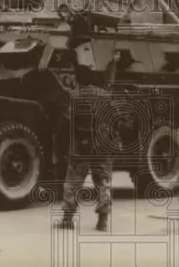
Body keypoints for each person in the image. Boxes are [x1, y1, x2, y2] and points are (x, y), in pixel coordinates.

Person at [56, 53, 121, 232]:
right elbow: (116, 119)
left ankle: (67, 220)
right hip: (102, 145)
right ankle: (103, 221)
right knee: (103, 182)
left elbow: (67, 121)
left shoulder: (74, 96)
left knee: (73, 182)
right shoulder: (105, 96)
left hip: (81, 146)